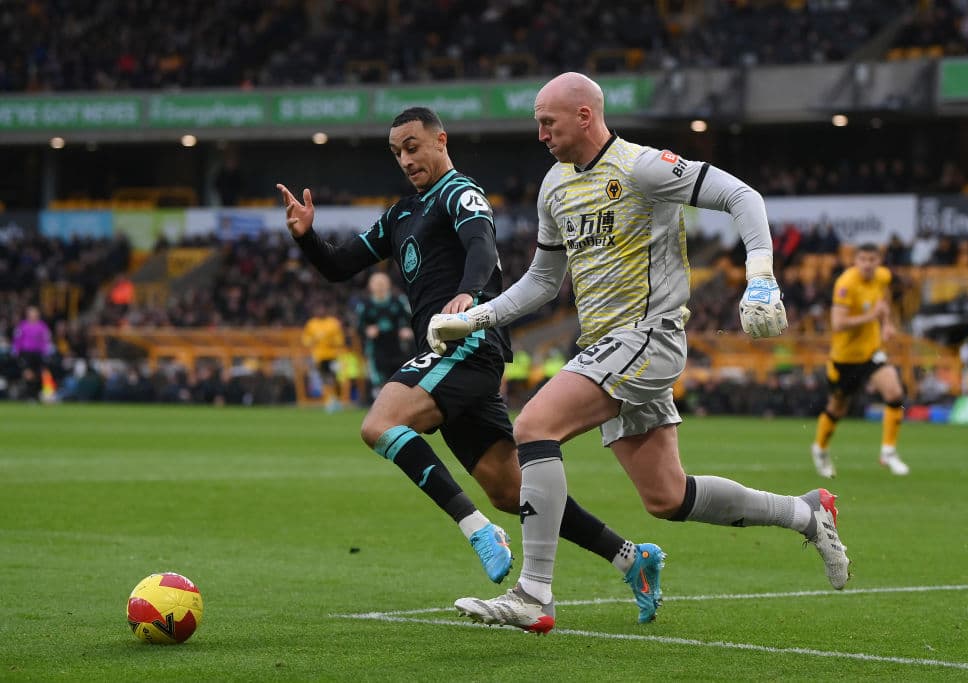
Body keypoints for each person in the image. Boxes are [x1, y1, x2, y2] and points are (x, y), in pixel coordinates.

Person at [429, 72, 850, 634]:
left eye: (547, 122)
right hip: (606, 346)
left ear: (584, 115)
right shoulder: (554, 186)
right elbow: (542, 281)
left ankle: (533, 592)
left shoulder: (642, 167)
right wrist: (476, 317)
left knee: (534, 426)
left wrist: (761, 276)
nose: (539, 134)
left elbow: (741, 196)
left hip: (647, 336)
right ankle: (805, 513)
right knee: (666, 496)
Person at [276, 106, 666, 623]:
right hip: (451, 358)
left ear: (441, 139)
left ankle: (478, 529)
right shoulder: (399, 215)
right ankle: (631, 559)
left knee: (380, 424)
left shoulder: (460, 192)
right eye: (397, 152)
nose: (405, 159)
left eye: (413, 147)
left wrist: (469, 295)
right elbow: (337, 265)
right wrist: (306, 235)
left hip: (465, 344)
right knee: (511, 489)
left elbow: (481, 244)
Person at [811, 242, 909, 478]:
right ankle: (820, 450)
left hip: (871, 352)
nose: (867, 264)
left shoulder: (882, 277)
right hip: (844, 358)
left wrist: (887, 324)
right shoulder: (846, 284)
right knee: (838, 408)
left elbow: (883, 302)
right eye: (863, 259)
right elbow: (838, 323)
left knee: (894, 392)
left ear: (879, 261)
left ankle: (888, 451)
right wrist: (871, 317)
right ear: (855, 261)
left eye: (872, 259)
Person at [355, 271, 414, 401]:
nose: (380, 285)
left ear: (388, 284)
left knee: (401, 378)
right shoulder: (365, 305)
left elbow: (411, 319)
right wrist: (366, 330)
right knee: (379, 380)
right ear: (370, 286)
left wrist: (407, 329)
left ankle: (401, 405)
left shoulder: (398, 301)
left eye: (383, 282)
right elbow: (358, 327)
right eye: (376, 283)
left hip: (398, 347)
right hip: (376, 349)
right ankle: (381, 408)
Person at [301, 302, 346, 412]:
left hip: (333, 356)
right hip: (319, 356)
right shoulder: (311, 324)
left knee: (335, 378)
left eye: (322, 308)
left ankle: (337, 400)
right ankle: (329, 401)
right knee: (325, 379)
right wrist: (314, 340)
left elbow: (340, 339)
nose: (320, 311)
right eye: (318, 309)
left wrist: (331, 341)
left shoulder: (333, 323)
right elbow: (305, 340)